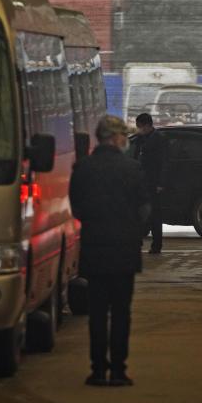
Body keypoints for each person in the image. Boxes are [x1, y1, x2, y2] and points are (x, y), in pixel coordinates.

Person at [70, 115, 150, 387]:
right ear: (116, 138)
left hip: (94, 250)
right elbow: (144, 209)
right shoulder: (133, 168)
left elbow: (76, 209)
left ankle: (96, 370)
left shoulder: (82, 168)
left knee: (97, 313)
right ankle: (118, 370)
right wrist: (133, 231)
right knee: (120, 312)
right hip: (124, 252)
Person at [131, 112, 167, 254]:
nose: (138, 129)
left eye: (140, 126)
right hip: (140, 181)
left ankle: (157, 244)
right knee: (139, 212)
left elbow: (164, 162)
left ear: (147, 125)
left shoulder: (159, 139)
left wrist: (161, 182)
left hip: (153, 181)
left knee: (155, 214)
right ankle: (138, 240)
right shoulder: (140, 139)